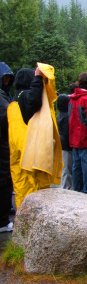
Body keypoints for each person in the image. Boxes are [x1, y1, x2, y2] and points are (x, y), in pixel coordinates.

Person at [8, 64, 62, 209]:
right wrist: (38, 77)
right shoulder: (24, 96)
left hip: (17, 154)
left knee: (21, 188)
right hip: (29, 155)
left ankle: (22, 221)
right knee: (32, 192)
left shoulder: (13, 101)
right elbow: (34, 100)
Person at [69, 72, 87, 195]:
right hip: (85, 139)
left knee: (76, 166)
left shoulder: (72, 98)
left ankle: (77, 191)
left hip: (74, 138)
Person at [0, 62, 14, 232]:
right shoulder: (2, 97)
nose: (6, 82)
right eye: (4, 79)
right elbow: (6, 117)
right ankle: (2, 221)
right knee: (3, 180)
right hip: (3, 144)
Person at [57, 83, 77, 190]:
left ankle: (66, 186)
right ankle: (65, 187)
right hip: (67, 145)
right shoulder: (66, 116)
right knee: (67, 168)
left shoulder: (59, 115)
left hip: (62, 145)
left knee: (65, 167)